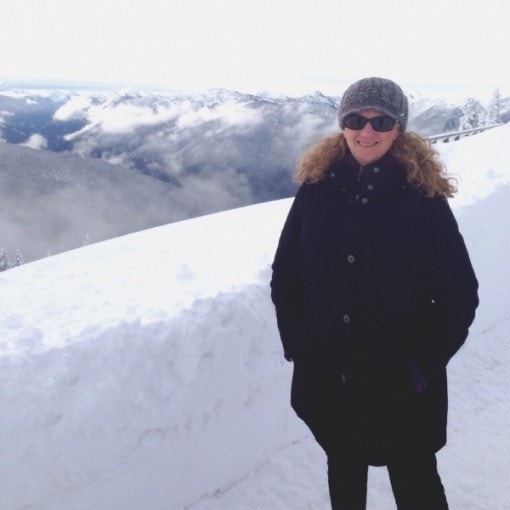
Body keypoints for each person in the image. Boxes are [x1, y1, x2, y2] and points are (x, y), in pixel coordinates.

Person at [270, 77, 479, 509]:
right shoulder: (316, 188)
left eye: (381, 121)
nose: (367, 132)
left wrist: (420, 364)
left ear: (399, 127)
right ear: (341, 124)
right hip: (331, 377)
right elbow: (286, 275)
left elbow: (460, 293)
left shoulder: (422, 197)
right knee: (344, 476)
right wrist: (302, 348)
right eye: (355, 119)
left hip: (402, 385)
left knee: (416, 482)